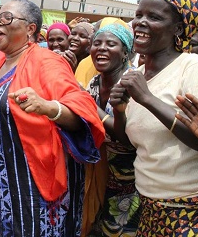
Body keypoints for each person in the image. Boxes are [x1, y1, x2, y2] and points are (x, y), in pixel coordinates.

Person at [0, 0, 105, 236]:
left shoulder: (48, 61)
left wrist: (48, 107)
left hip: (35, 185)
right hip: (2, 183)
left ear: (30, 29)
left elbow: (82, 111)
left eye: (7, 18)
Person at [110, 0, 198, 235]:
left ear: (178, 29)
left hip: (194, 207)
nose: (140, 22)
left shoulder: (193, 67)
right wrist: (119, 111)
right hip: (150, 207)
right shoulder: (136, 76)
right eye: (138, 15)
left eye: (154, 17)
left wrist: (148, 99)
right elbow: (130, 144)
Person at [87, 22, 141, 236]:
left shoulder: (135, 82)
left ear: (125, 52)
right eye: (97, 43)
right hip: (100, 170)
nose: (101, 48)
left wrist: (87, 105)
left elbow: (128, 137)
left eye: (111, 44)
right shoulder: (93, 82)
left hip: (131, 177)